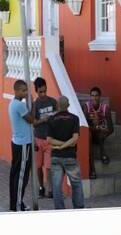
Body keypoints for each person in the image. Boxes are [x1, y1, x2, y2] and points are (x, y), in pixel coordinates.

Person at [8, 79, 45, 211]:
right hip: (23, 144)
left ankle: (16, 203)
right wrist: (34, 104)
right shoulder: (20, 106)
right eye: (23, 90)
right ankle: (17, 206)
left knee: (15, 174)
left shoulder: (12, 103)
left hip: (17, 142)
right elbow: (32, 120)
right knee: (21, 176)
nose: (25, 93)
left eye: (26, 90)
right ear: (16, 90)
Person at [47, 96, 85, 209]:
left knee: (57, 186)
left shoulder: (51, 119)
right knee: (76, 184)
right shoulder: (74, 118)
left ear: (57, 106)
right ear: (68, 105)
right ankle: (78, 208)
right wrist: (66, 144)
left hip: (56, 157)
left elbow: (49, 140)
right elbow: (74, 140)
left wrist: (60, 146)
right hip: (70, 156)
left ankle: (60, 210)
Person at [33, 77, 57, 198]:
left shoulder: (53, 102)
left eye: (45, 91)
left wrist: (54, 117)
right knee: (38, 166)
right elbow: (33, 122)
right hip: (38, 139)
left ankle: (50, 189)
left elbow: (58, 116)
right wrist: (43, 119)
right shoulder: (35, 104)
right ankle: (41, 187)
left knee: (48, 167)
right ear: (36, 91)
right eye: (40, 92)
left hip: (49, 139)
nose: (43, 94)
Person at [83, 87, 114, 179]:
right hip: (90, 132)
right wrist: (96, 127)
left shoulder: (105, 108)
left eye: (96, 96)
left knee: (100, 134)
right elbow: (84, 126)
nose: (94, 98)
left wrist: (104, 133)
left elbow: (111, 129)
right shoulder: (86, 106)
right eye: (92, 96)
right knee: (89, 137)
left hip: (98, 134)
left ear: (100, 97)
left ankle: (102, 153)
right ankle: (92, 169)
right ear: (90, 97)